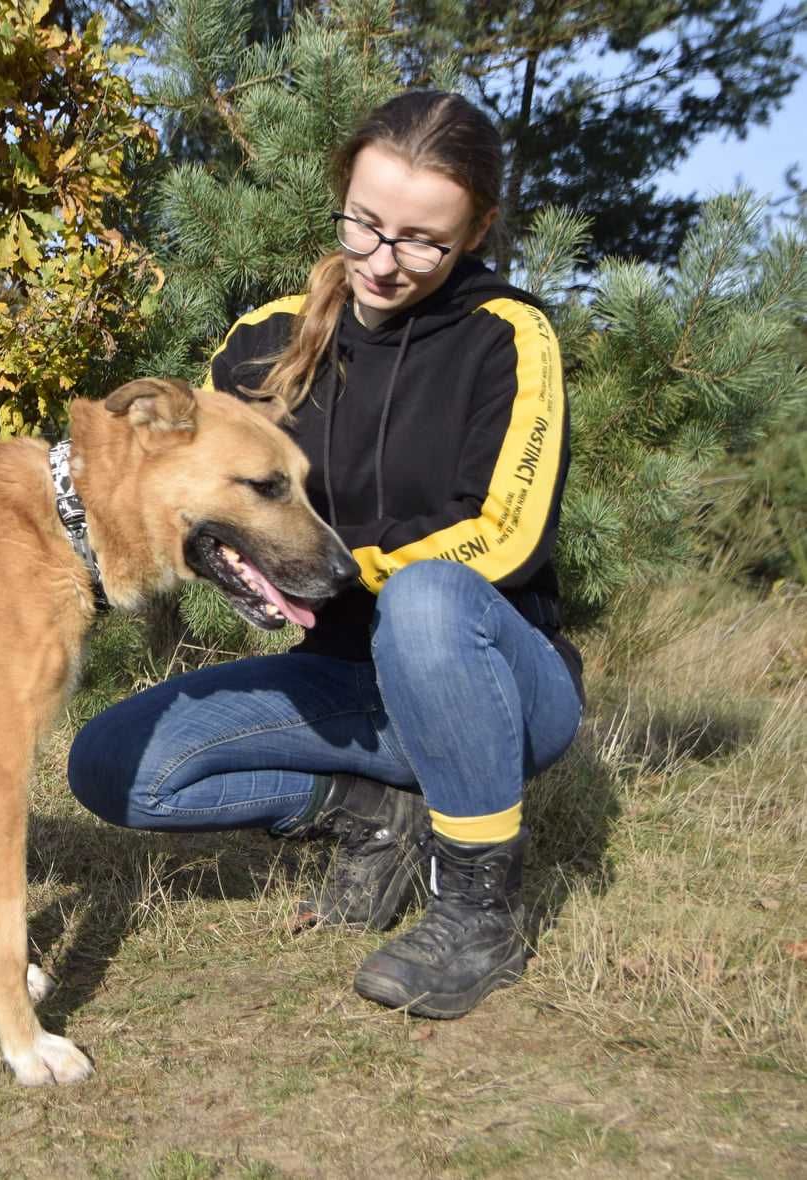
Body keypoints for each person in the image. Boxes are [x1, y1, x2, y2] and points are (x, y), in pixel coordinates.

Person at [66, 91, 585, 1019]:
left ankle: (478, 909)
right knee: (113, 765)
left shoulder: (509, 336)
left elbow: (506, 534)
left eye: (423, 240)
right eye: (365, 223)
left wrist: (345, 571)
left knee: (427, 597)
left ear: (478, 231)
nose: (384, 263)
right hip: (345, 688)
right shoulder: (264, 339)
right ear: (340, 190)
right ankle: (374, 814)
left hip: (496, 685)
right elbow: (182, 480)